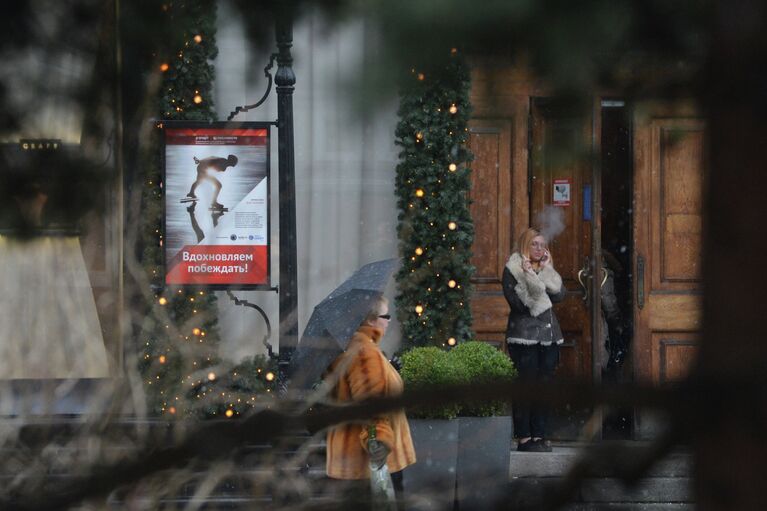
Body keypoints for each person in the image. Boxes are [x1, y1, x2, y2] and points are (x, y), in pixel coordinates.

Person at [324, 296, 416, 508]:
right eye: (386, 316)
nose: (389, 321)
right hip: (367, 462)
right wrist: (379, 443)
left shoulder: (352, 347)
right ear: (371, 321)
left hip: (349, 459)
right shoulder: (365, 352)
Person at [503, 228, 566, 452]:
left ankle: (539, 434)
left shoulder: (546, 269)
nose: (539, 249)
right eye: (534, 244)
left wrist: (545, 273)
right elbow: (519, 304)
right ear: (524, 246)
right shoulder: (513, 269)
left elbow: (560, 295)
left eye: (542, 244)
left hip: (549, 338)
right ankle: (524, 437)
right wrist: (531, 279)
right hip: (524, 338)